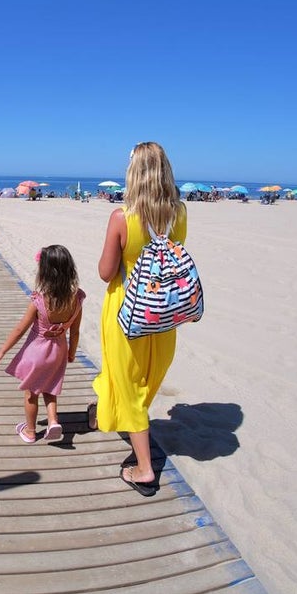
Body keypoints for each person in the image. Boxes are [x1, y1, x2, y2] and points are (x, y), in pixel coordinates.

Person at [93, 141, 188, 494]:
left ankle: (145, 467)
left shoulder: (122, 218)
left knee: (129, 385)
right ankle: (101, 410)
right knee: (144, 379)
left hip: (127, 312)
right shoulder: (179, 213)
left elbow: (105, 272)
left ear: (134, 173)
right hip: (164, 314)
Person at [0, 245, 84, 444]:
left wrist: (2, 351)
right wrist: (71, 353)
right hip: (58, 351)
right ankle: (53, 422)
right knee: (50, 387)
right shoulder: (76, 299)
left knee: (31, 393)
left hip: (37, 352)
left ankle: (31, 431)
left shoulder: (39, 301)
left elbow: (20, 330)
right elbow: (75, 331)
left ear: (44, 272)